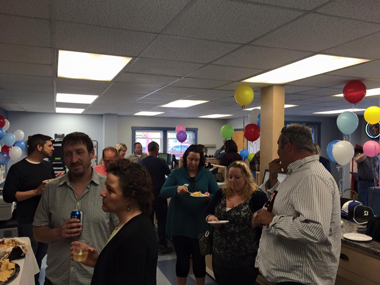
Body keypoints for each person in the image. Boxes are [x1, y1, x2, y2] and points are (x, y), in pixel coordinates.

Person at [252, 124, 341, 285]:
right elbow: (285, 203)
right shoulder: (298, 173)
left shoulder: (312, 177)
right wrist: (273, 179)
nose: (277, 152)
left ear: (288, 146)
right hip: (289, 276)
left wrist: (272, 220)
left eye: (279, 146)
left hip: (301, 278)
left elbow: (316, 229)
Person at [33, 132, 118, 285]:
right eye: (68, 154)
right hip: (57, 279)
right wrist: (58, 232)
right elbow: (38, 232)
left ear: (92, 153)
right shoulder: (52, 189)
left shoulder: (109, 188)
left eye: (79, 152)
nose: (74, 160)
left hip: (95, 278)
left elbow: (121, 234)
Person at [71, 159, 158, 285]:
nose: (102, 193)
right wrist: (99, 261)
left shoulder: (135, 237)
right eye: (105, 186)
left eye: (110, 190)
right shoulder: (127, 225)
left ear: (130, 198)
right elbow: (121, 268)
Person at [161, 144, 219, 285]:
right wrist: (176, 189)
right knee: (182, 261)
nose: (193, 163)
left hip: (200, 225)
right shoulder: (176, 174)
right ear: (185, 158)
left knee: (199, 261)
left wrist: (208, 197)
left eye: (196, 160)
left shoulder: (207, 175)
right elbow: (163, 191)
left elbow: (217, 195)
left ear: (201, 161)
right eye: (190, 159)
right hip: (180, 224)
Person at [3, 134, 56, 285]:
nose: (53, 148)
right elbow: (8, 196)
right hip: (28, 221)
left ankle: (36, 282)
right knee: (28, 260)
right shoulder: (18, 168)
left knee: (39, 258)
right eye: (49, 145)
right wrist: (35, 192)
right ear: (39, 147)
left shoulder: (47, 165)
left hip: (46, 221)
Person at [206, 161, 267, 285]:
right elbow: (207, 212)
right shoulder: (221, 194)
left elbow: (265, 222)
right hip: (220, 256)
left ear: (246, 177)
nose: (232, 180)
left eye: (237, 177)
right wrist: (210, 218)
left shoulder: (257, 197)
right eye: (230, 177)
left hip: (246, 258)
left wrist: (257, 220)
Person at [139, 141, 173, 254]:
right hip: (159, 195)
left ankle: (148, 245)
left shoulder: (141, 162)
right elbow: (170, 174)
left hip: (146, 195)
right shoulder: (161, 161)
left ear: (148, 150)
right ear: (157, 151)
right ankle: (162, 245)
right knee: (162, 221)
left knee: (148, 221)